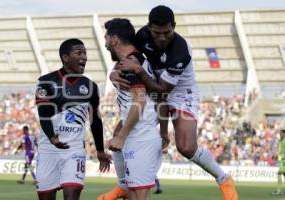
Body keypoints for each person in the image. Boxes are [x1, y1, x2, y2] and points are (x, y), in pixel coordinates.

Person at [110, 5, 238, 200]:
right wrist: (114, 72)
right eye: (157, 33)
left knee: (186, 147)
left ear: (174, 26)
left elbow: (163, 90)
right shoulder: (142, 36)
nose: (161, 38)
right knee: (119, 134)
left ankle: (224, 179)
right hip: (152, 86)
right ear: (149, 28)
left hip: (180, 92)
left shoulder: (181, 51)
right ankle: (122, 186)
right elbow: (127, 55)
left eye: (167, 32)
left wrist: (140, 71)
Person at [35, 38, 111, 200]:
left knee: (72, 195)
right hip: (48, 149)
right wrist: (52, 138)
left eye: (85, 53)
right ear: (65, 57)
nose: (84, 57)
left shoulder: (90, 86)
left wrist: (100, 150)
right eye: (79, 53)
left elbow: (95, 120)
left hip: (74, 149)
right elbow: (44, 114)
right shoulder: (46, 82)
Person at [98, 18, 163, 200]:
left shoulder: (131, 63)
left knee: (140, 196)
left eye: (106, 38)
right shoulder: (133, 60)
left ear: (114, 40)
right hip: (139, 136)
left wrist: (121, 136)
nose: (104, 43)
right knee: (133, 195)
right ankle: (120, 186)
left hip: (141, 138)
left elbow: (139, 102)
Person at [272, 119, 285, 196]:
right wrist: (277, 154)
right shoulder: (282, 141)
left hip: (284, 161)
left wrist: (280, 155)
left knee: (279, 174)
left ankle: (278, 191)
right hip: (283, 160)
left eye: (281, 133)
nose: (280, 134)